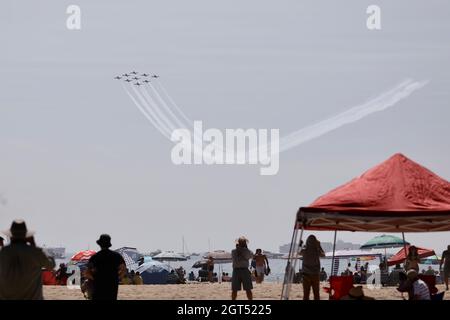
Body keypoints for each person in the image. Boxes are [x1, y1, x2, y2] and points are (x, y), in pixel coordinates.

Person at [0, 220, 55, 299]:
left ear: (11, 236)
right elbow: (51, 265)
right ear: (27, 237)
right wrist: (34, 245)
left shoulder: (4, 252)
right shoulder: (35, 252)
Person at [85, 234, 126, 300]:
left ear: (100, 244)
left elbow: (87, 273)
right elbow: (123, 270)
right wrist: (117, 278)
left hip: (98, 285)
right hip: (112, 284)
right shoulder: (116, 256)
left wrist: (94, 279)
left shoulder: (95, 257)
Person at [299, 235, 325, 300]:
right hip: (315, 274)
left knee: (306, 294)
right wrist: (319, 246)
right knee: (316, 294)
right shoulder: (317, 250)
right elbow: (323, 255)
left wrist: (302, 246)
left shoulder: (304, 250)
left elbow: (299, 253)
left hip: (306, 274)